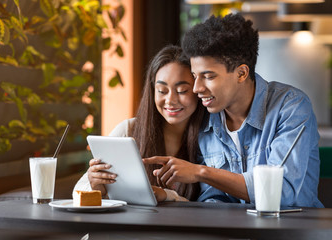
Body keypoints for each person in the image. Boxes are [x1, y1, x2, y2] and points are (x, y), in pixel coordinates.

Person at [143, 14, 324, 207]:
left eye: (208, 76)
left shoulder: (290, 108)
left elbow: (280, 192)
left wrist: (200, 172)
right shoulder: (207, 120)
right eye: (195, 76)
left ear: (241, 73)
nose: (196, 88)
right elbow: (214, 199)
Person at [73, 45, 207, 202]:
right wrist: (96, 186)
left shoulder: (212, 137)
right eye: (162, 91)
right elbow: (77, 193)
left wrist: (167, 195)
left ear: (198, 90)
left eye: (182, 90)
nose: (170, 100)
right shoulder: (128, 130)